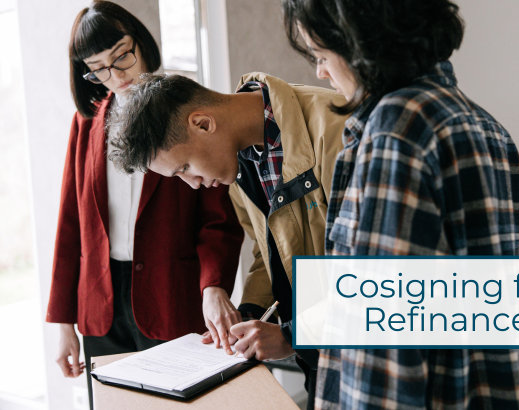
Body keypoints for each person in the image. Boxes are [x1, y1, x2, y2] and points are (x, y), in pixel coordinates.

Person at [282, 0, 519, 409]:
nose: (321, 73)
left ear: (362, 40)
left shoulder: (397, 129)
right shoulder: (486, 126)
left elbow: (383, 341)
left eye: (321, 54)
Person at [105, 71, 347, 409]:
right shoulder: (239, 162)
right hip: (323, 360)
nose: (192, 183)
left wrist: (293, 336)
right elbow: (271, 251)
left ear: (202, 123)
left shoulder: (338, 131)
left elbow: (384, 276)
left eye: (184, 167)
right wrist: (250, 314)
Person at [46, 1, 244, 409]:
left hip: (171, 294)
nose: (116, 75)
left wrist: (214, 284)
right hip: (100, 302)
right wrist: (63, 321)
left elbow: (217, 219)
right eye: (99, 68)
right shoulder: (86, 123)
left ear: (140, 42)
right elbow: (70, 222)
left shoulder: (182, 108)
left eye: (122, 55)